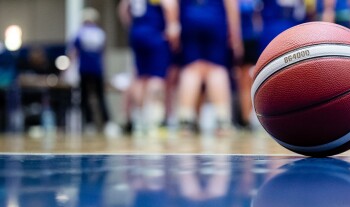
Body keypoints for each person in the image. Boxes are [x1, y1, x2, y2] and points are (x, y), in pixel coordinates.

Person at [177, 0, 243, 135]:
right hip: (214, 18)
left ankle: (186, 120)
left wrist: (173, 23)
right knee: (216, 69)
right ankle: (222, 120)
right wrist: (236, 35)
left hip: (190, 19)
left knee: (191, 69)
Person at [118, 0, 180, 136]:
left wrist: (133, 26)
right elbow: (169, 5)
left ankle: (139, 117)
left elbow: (123, 8)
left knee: (140, 77)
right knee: (157, 77)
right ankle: (154, 118)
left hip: (137, 33)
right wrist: (172, 26)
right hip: (155, 33)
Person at [70, 8, 114, 134]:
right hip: (96, 69)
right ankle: (104, 123)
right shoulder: (100, 33)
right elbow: (103, 54)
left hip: (86, 69)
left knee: (86, 97)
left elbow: (74, 53)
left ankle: (90, 123)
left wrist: (68, 70)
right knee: (99, 97)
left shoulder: (80, 33)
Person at [236, 0, 261, 131]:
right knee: (244, 79)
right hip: (244, 37)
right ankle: (246, 119)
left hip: (256, 37)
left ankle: (253, 117)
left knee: (252, 78)